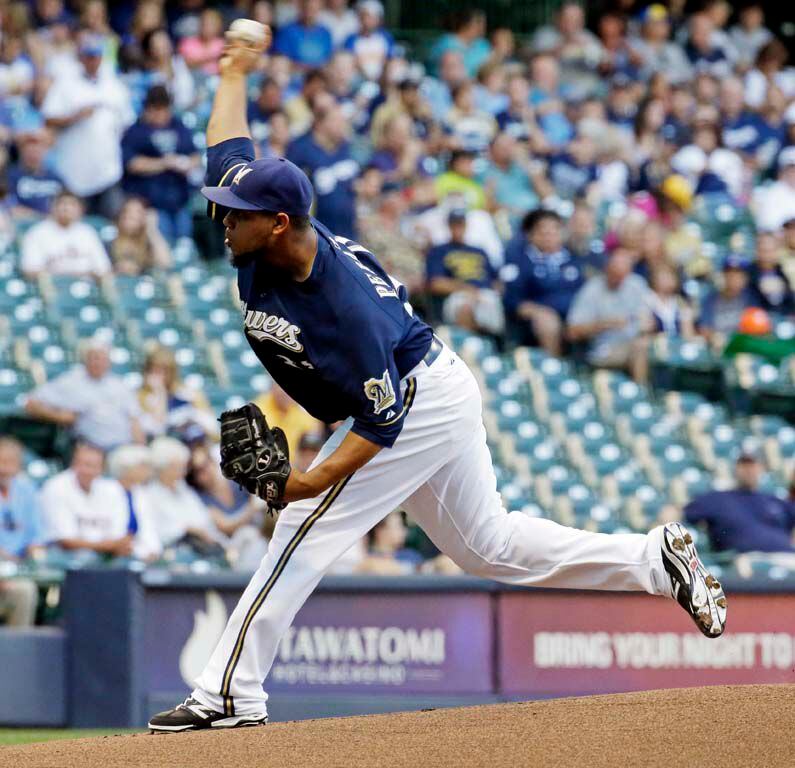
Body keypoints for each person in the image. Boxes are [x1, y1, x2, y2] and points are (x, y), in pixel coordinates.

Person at [148, 29, 726, 734]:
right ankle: (651, 559)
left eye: (235, 216)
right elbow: (227, 140)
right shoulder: (259, 223)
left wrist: (300, 482)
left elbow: (379, 427)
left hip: (413, 400)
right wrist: (234, 72)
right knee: (490, 549)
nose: (220, 221)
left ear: (276, 224)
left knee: (302, 521)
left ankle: (231, 693)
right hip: (429, 385)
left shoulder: (344, 307)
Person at [41, 32, 133, 218]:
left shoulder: (115, 86)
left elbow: (127, 123)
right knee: (76, 225)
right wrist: (74, 117)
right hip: (74, 171)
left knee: (112, 226)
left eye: (97, 56)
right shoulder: (65, 84)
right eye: (89, 56)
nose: (93, 60)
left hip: (108, 170)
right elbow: (48, 118)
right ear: (81, 58)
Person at [25, 337, 144, 452]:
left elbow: (134, 420)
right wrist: (59, 416)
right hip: (89, 448)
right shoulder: (71, 381)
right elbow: (32, 402)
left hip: (123, 447)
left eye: (103, 358)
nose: (98, 362)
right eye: (94, 358)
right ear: (85, 359)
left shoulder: (119, 384)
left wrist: (140, 449)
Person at [121, 85, 200, 242]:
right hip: (151, 203)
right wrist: (164, 163)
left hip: (180, 199)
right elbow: (132, 164)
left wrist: (186, 164)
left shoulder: (177, 125)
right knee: (164, 244)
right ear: (148, 109)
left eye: (164, 109)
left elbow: (195, 155)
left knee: (185, 245)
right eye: (157, 109)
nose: (161, 115)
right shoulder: (136, 132)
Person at [683, 444, 795, 553]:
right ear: (735, 468)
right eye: (744, 464)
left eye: (752, 464)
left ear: (761, 468)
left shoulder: (773, 500)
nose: (748, 470)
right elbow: (681, 513)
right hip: (745, 562)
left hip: (786, 557)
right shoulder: (717, 499)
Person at [502, 209, 584, 355]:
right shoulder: (520, 261)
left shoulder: (573, 260)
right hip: (537, 318)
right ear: (531, 235)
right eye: (543, 232)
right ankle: (555, 368)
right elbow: (512, 300)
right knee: (548, 322)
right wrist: (537, 311)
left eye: (554, 231)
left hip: (575, 315)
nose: (549, 236)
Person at [567, 248, 653, 382]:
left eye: (622, 275)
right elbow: (572, 331)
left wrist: (646, 324)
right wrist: (604, 325)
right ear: (607, 269)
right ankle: (642, 393)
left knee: (648, 346)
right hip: (603, 349)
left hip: (633, 342)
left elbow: (648, 318)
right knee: (640, 349)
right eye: (614, 273)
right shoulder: (592, 289)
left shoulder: (636, 284)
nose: (617, 279)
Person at [40, 442, 135, 558]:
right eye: (84, 464)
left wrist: (113, 545)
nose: (88, 471)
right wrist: (109, 546)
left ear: (102, 468)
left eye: (94, 466)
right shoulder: (56, 487)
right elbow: (66, 541)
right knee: (84, 556)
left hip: (107, 554)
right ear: (73, 464)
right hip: (65, 555)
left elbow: (120, 535)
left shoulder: (113, 488)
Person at [425, 209, 504, 336]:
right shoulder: (439, 250)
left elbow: (496, 281)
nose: (457, 228)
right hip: (458, 294)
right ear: (448, 226)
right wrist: (467, 289)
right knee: (466, 306)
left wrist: (495, 292)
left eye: (460, 224)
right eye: (454, 224)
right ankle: (469, 343)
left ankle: (487, 345)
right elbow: (436, 284)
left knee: (492, 304)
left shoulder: (479, 251)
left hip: (486, 295)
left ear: (466, 225)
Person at [286, 103, 359, 239]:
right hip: (316, 233)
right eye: (336, 121)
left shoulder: (345, 147)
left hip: (348, 231)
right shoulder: (301, 150)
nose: (342, 125)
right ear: (319, 123)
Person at [143, 436, 220, 553]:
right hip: (174, 550)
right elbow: (159, 531)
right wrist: (188, 529)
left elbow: (204, 520)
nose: (184, 473)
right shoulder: (150, 495)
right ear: (164, 468)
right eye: (178, 468)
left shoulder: (183, 489)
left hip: (202, 545)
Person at [20, 190, 111, 279]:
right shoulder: (37, 232)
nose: (66, 208)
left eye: (72, 204)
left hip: (86, 285)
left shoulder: (88, 232)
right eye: (62, 204)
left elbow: (103, 268)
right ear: (52, 207)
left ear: (80, 209)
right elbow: (29, 270)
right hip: (51, 287)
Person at [0, 436, 41, 627]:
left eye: (9, 463)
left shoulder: (27, 490)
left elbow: (36, 535)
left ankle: (18, 653)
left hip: (18, 570)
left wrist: (34, 555)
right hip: (6, 569)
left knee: (25, 589)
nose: (4, 469)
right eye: (1, 462)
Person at [137, 345, 215, 439]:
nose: (160, 375)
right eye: (155, 370)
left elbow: (211, 425)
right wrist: (160, 392)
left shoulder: (188, 393)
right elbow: (157, 428)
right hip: (167, 443)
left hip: (195, 438)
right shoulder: (142, 397)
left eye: (165, 370)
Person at [106, 443, 162, 561]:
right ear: (127, 468)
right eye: (143, 466)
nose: (148, 471)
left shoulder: (141, 493)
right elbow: (112, 531)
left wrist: (152, 551)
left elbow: (149, 530)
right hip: (113, 553)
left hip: (139, 554)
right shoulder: (108, 490)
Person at [697, 254, 756, 346]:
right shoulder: (711, 299)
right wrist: (713, 337)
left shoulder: (751, 298)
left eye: (738, 274)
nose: (733, 277)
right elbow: (704, 328)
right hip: (718, 349)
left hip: (744, 347)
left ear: (745, 278)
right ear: (723, 275)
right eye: (729, 273)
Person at [252, 383, 323, 460]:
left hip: (296, 466)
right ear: (273, 389)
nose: (285, 394)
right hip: (267, 465)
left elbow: (314, 441)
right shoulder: (257, 410)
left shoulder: (303, 411)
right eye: (280, 387)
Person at [6, 129, 64, 217]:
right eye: (30, 149)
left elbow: (69, 203)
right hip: (22, 226)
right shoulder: (11, 176)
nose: (34, 153)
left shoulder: (55, 177)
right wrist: (41, 217)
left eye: (38, 149)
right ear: (22, 151)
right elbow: (10, 208)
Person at [109, 196, 172, 275]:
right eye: (127, 211)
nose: (130, 215)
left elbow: (166, 263)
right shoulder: (109, 242)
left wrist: (152, 229)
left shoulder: (148, 244)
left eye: (137, 212)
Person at [272, 0, 333, 69]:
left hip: (320, 77)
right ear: (300, 7)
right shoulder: (286, 32)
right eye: (307, 8)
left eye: (313, 9)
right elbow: (281, 62)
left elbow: (329, 61)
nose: (309, 12)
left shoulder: (325, 33)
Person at [344, 0, 393, 83]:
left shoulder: (386, 37)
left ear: (379, 19)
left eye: (372, 17)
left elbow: (390, 59)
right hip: (359, 80)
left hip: (382, 79)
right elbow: (349, 61)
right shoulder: (351, 39)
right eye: (365, 17)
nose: (368, 21)